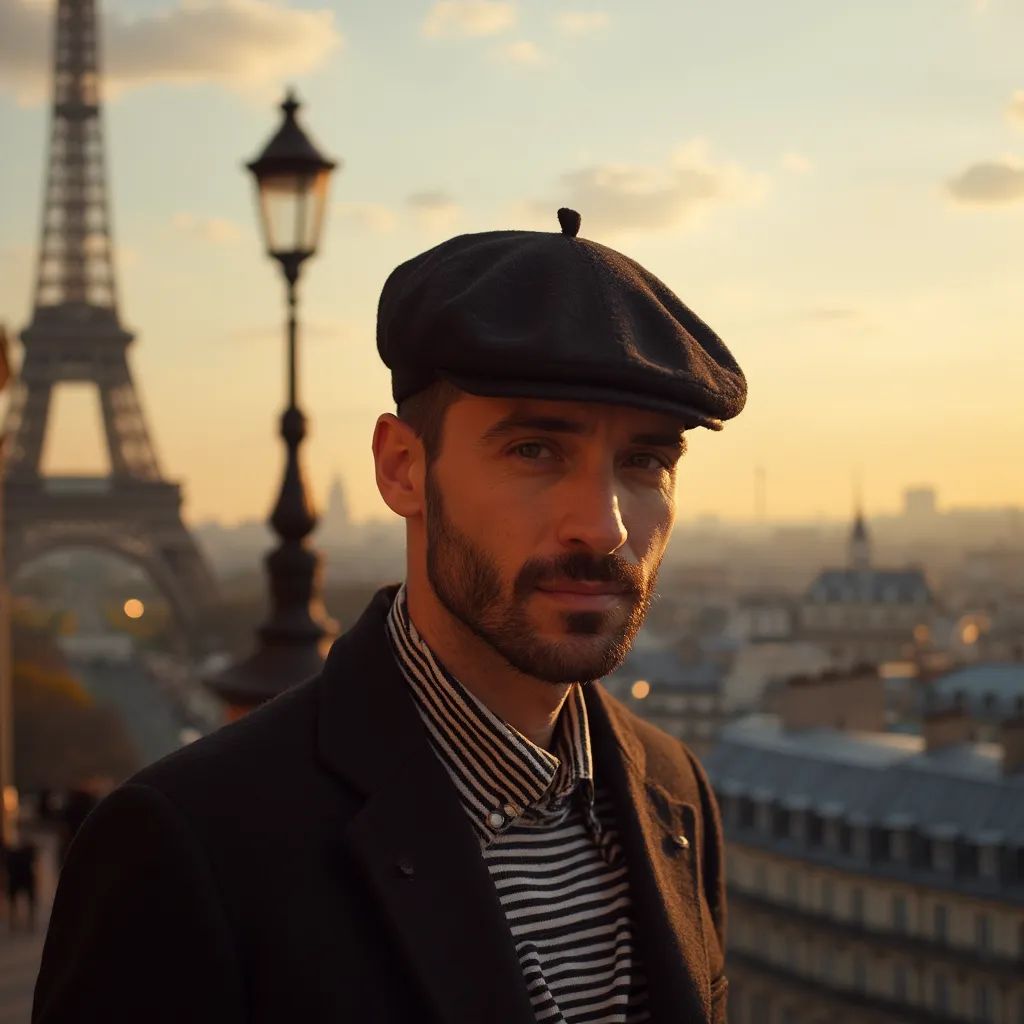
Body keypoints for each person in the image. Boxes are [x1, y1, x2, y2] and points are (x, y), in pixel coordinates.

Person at [33, 208, 746, 1024]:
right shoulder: (184, 845)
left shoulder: (675, 791)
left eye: (645, 461)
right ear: (403, 469)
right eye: (535, 451)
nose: (605, 524)